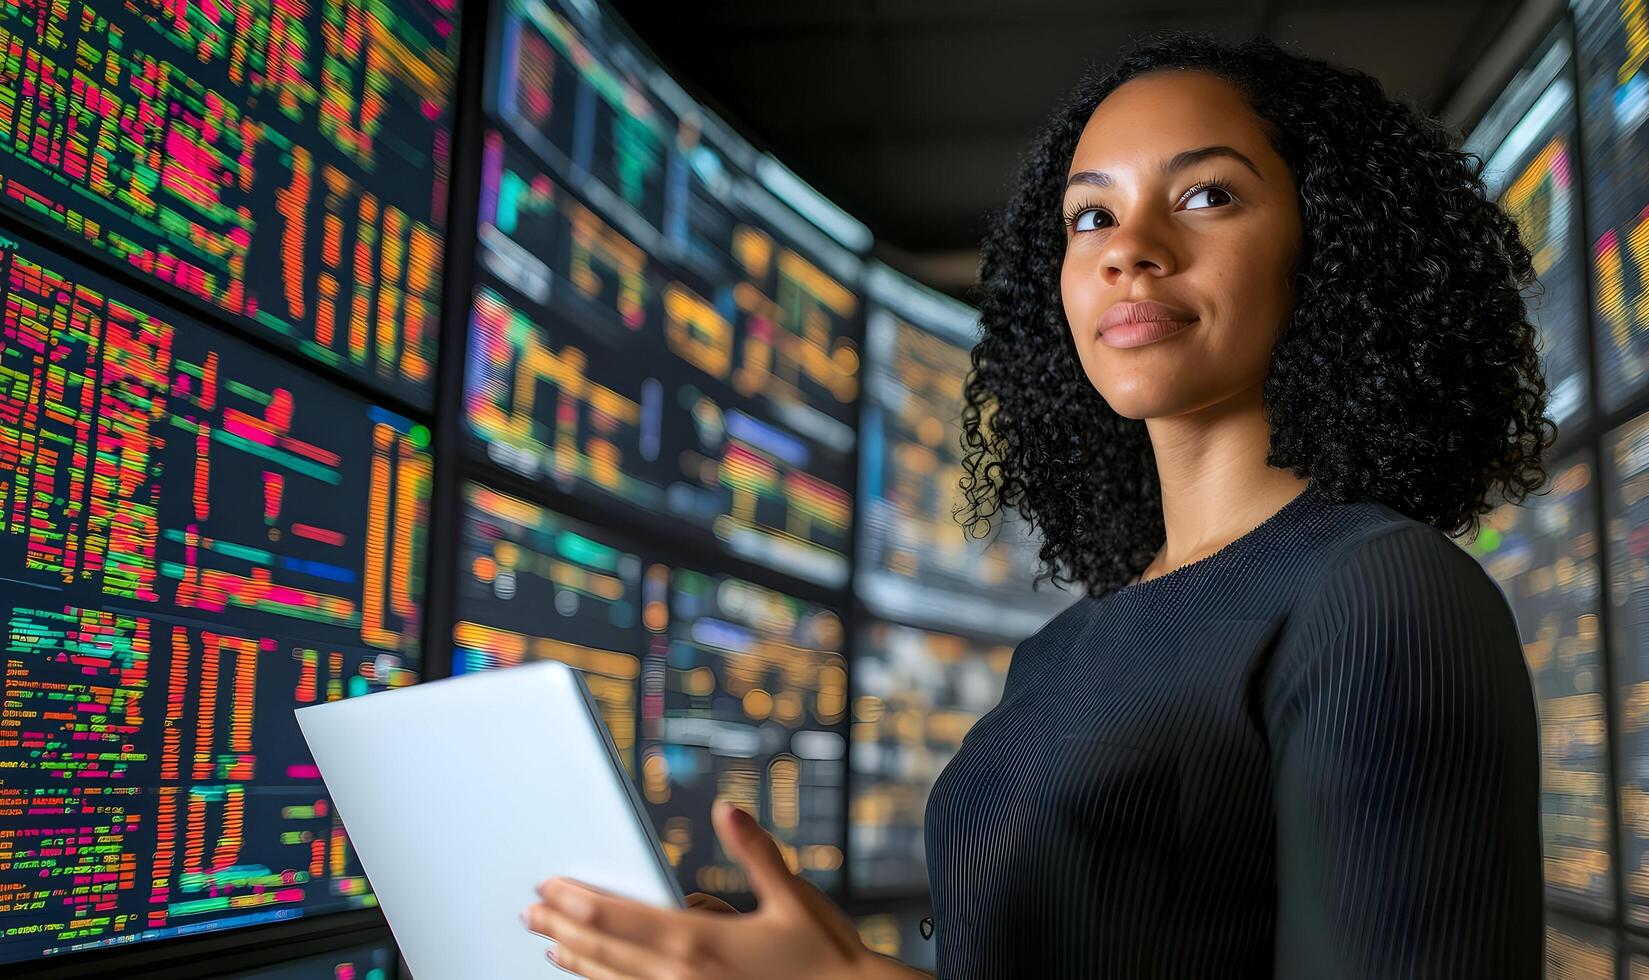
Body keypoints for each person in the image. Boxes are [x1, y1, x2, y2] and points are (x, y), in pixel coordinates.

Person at [521, 29, 1550, 979]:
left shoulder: (1381, 590)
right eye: (1089, 214)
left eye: (1205, 197)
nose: (1128, 247)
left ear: (1329, 244)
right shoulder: (1060, 648)